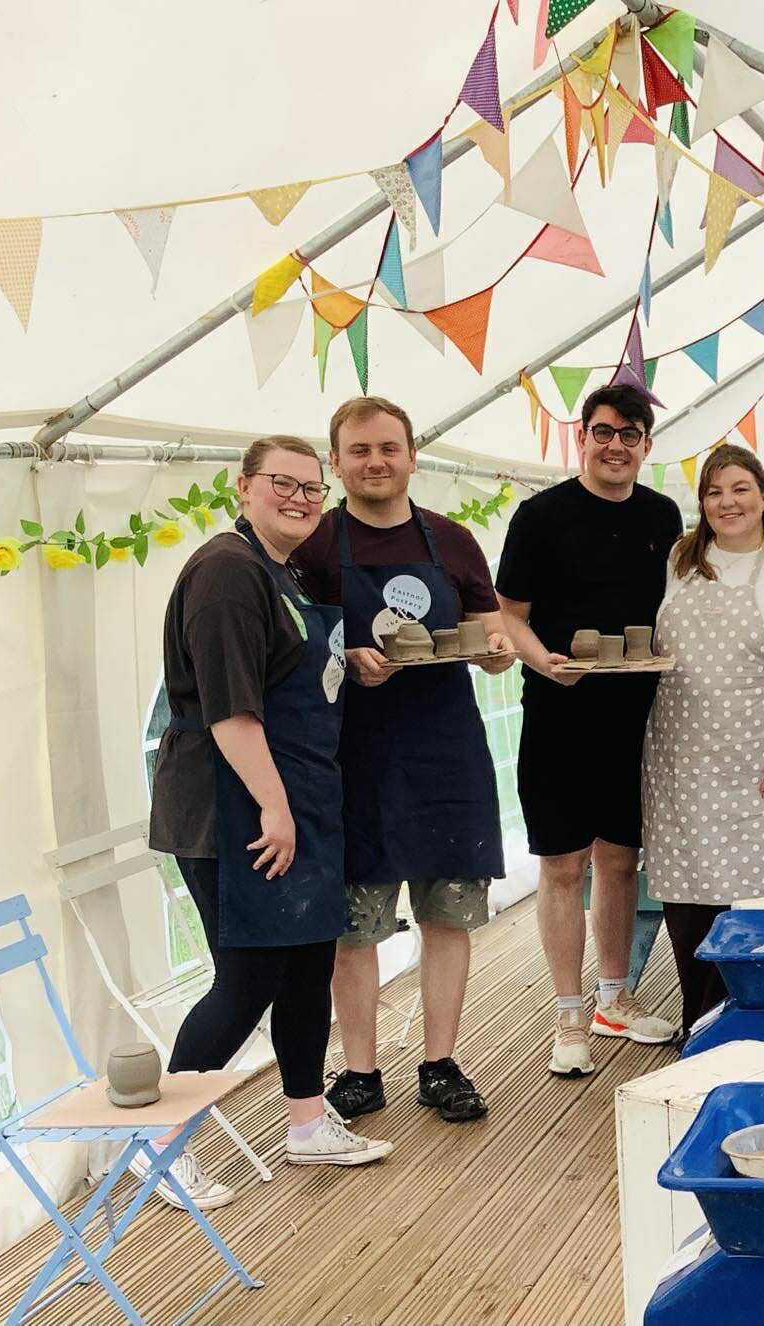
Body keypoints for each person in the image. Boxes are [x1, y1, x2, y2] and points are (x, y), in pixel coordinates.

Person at [147, 435, 393, 1210]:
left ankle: (307, 1123)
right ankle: (160, 1147)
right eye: (281, 484)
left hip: (298, 803)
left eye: (310, 489)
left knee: (306, 970)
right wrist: (276, 807)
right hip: (238, 811)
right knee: (247, 978)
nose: (298, 498)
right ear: (243, 486)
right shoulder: (225, 573)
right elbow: (230, 711)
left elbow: (284, 671)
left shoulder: (278, 573)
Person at [289, 396, 514, 1124]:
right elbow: (287, 655)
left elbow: (489, 637)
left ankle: (441, 1063)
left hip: (445, 754)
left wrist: (495, 649)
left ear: (413, 456)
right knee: (355, 928)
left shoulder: (451, 541)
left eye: (389, 447)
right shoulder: (315, 547)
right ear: (337, 462)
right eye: (360, 450)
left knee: (448, 916)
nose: (376, 461)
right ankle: (360, 1070)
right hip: (350, 759)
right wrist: (341, 658)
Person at [496, 383, 682, 1076]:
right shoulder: (541, 516)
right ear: (583, 438)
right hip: (558, 713)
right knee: (564, 865)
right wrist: (540, 660)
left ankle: (614, 998)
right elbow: (507, 613)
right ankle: (568, 1011)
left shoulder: (663, 515)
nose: (615, 445)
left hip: (637, 716)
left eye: (629, 434)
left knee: (620, 860)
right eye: (603, 432)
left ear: (645, 446)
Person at [643, 445, 764, 1035]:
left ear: (763, 497)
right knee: (687, 899)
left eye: (739, 489)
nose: (727, 502)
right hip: (681, 760)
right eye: (714, 492)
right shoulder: (679, 563)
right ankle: (700, 1023)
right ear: (702, 503)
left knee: (760, 902)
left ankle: (754, 1024)